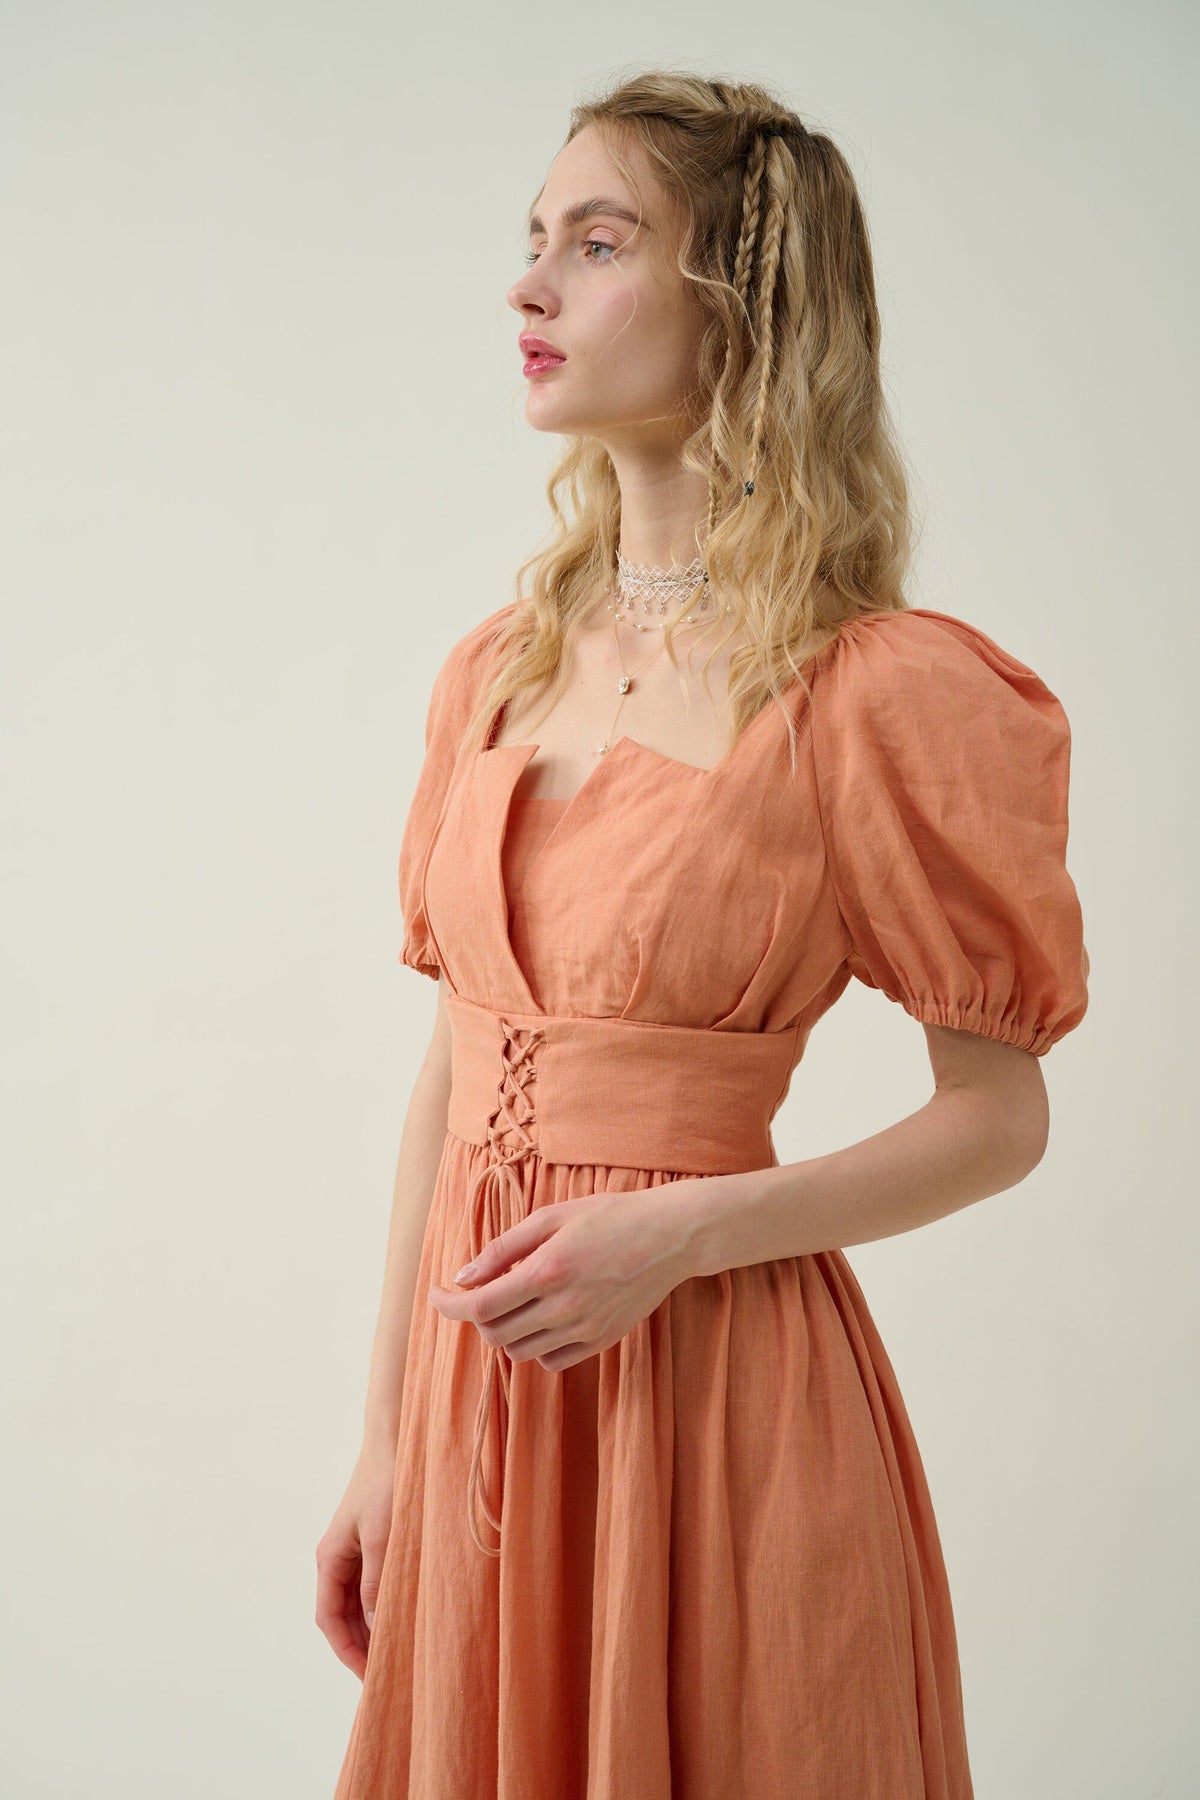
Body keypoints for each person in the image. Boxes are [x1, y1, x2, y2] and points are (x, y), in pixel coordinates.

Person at [318, 70, 1089, 1800]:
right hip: (481, 1404)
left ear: (742, 299)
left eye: (597, 244)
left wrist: (676, 1236)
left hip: (724, 1408)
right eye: (534, 238)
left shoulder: (873, 691)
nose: (529, 284)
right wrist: (382, 1442)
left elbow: (1000, 1116)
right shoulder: (495, 671)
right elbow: (453, 1078)